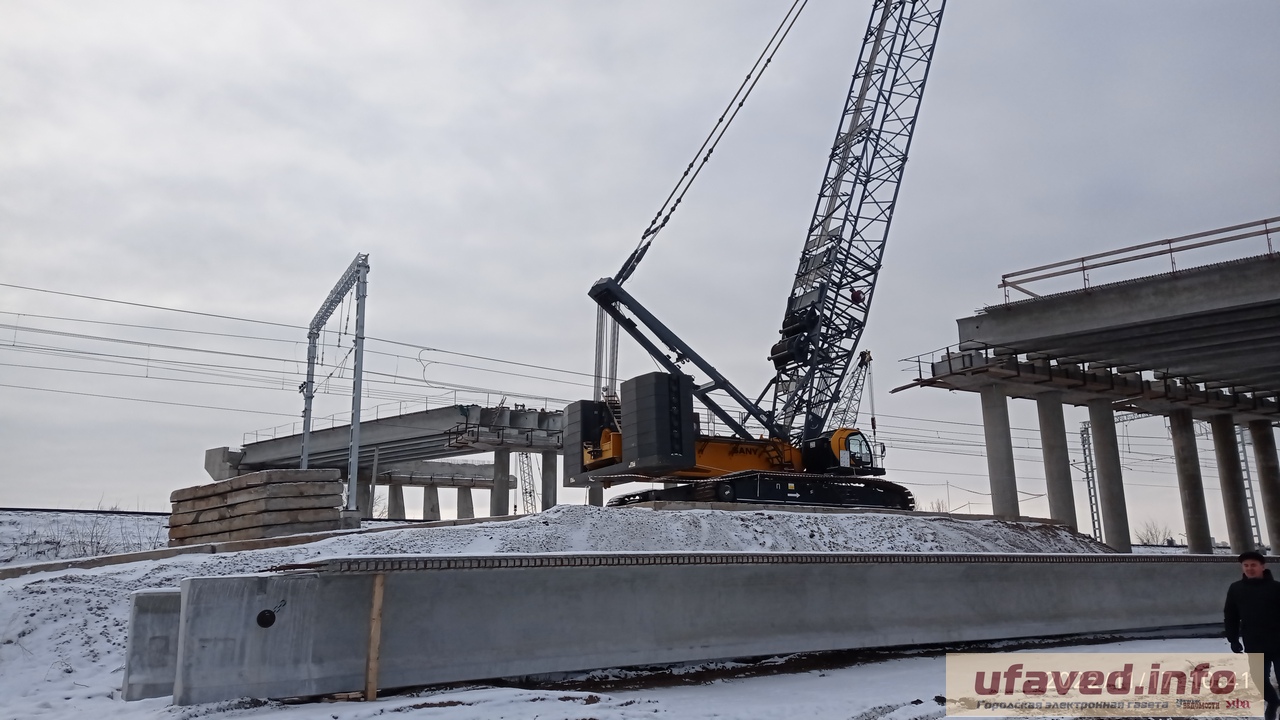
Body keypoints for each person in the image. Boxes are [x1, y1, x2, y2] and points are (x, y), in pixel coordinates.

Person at [1224, 550, 1280, 720]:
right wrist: (1233, 639)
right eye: (1246, 565)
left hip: (1279, 643)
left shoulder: (1277, 588)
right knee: (1258, 679)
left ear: (1263, 567)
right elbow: (1231, 615)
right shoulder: (1236, 589)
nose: (1249, 568)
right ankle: (1272, 702)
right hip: (1254, 642)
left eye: (1253, 565)